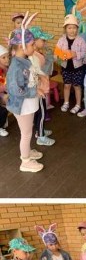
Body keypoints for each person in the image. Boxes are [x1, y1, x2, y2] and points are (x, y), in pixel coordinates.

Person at [7, 19, 45, 172]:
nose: (34, 47)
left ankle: (27, 151)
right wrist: (34, 91)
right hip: (22, 106)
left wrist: (37, 86)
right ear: (22, 47)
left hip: (28, 103)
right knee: (26, 133)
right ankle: (25, 161)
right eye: (32, 45)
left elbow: (28, 80)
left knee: (28, 130)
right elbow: (16, 90)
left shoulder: (23, 60)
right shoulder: (16, 67)